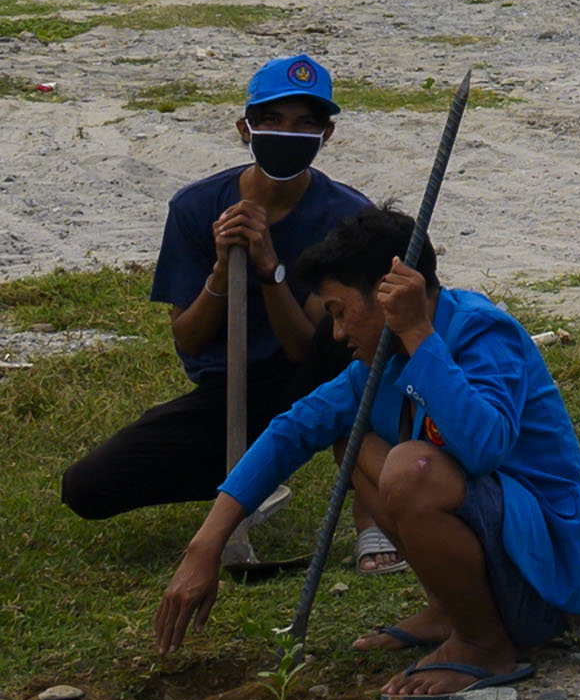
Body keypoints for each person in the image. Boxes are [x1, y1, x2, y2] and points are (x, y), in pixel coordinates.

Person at [155, 207, 580, 700]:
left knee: (411, 470)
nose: (337, 334)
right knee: (349, 440)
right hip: (506, 563)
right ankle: (451, 610)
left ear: (392, 293)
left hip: (549, 585)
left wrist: (417, 333)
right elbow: (291, 431)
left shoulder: (483, 333)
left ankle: (483, 645)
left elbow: (484, 446)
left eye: (340, 311)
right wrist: (206, 547)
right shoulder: (377, 368)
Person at [61, 56, 378, 547]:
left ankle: (371, 519)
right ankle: (251, 482)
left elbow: (309, 351)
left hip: (311, 381)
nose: (286, 134)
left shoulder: (348, 217)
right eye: (271, 120)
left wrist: (270, 271)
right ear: (244, 129)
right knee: (87, 487)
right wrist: (220, 273)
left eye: (305, 124)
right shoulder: (196, 207)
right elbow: (188, 338)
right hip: (228, 391)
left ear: (326, 135)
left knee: (352, 361)